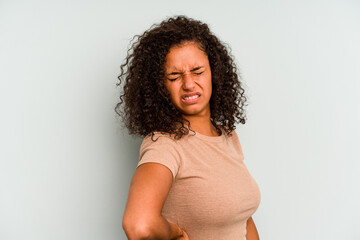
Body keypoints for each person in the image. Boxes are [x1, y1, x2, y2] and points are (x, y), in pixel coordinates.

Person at [115, 15, 261, 240]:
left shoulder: (227, 136)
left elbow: (243, 220)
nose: (189, 84)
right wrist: (174, 233)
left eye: (197, 71)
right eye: (174, 76)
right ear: (159, 86)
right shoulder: (165, 144)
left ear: (215, 72)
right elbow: (138, 224)